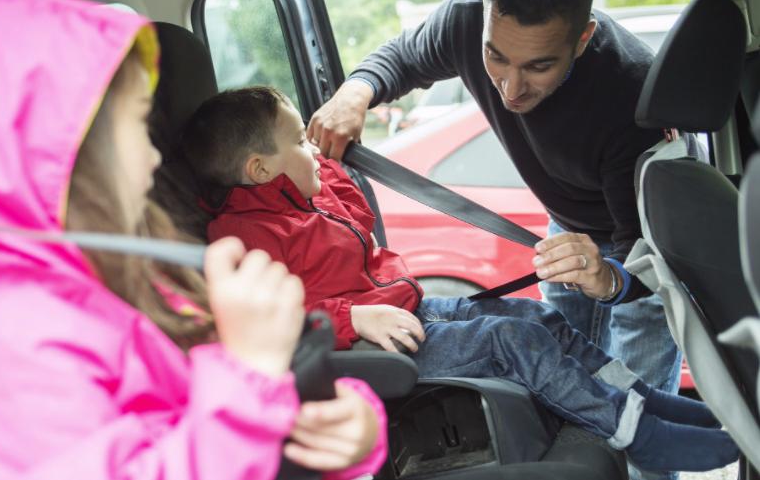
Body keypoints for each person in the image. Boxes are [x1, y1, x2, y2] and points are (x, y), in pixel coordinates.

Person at [0, 0, 387, 480]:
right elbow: (229, 409)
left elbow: (223, 408)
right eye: (140, 125)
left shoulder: (132, 280)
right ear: (62, 151)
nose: (153, 155)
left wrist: (348, 427)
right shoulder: (2, 351)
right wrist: (250, 380)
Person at [170, 85, 738, 475]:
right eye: (297, 140)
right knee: (510, 341)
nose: (310, 149)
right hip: (373, 343)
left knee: (540, 316)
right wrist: (351, 318)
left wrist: (323, 164)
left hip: (411, 310)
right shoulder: (242, 236)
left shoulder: (307, 197)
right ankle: (636, 432)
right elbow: (257, 319)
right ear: (260, 169)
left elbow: (353, 217)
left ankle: (643, 399)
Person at [307, 0, 683, 478]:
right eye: (495, 57)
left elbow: (643, 257)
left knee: (637, 430)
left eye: (538, 66)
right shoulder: (466, 20)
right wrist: (356, 90)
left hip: (635, 249)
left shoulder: (631, 93)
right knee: (564, 402)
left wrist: (612, 280)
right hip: (562, 233)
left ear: (583, 38)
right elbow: (401, 58)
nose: (509, 87)